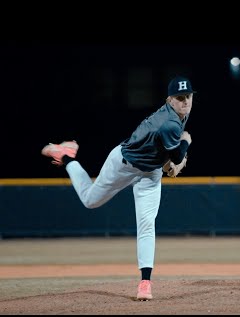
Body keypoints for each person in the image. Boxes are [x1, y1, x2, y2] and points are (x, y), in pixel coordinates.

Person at [41, 75, 196, 300]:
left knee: (147, 225)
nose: (185, 102)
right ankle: (66, 156)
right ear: (169, 100)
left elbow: (165, 154)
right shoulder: (170, 123)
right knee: (89, 200)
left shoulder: (181, 113)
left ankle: (145, 283)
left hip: (149, 173)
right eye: (180, 97)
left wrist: (168, 158)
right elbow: (177, 154)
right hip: (123, 165)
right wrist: (186, 141)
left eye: (188, 96)